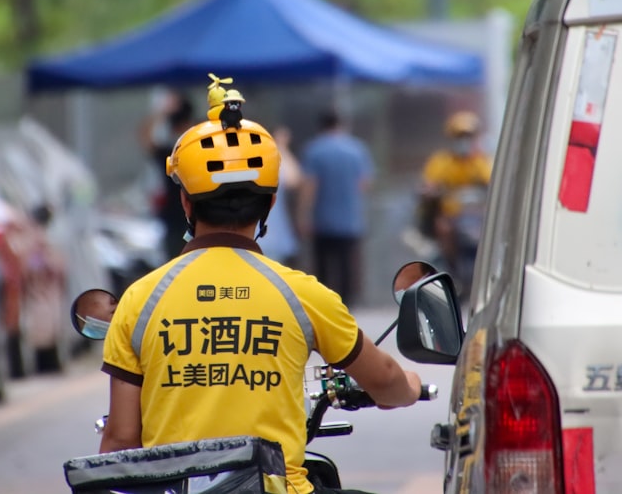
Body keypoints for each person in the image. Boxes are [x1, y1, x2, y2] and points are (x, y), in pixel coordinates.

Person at [100, 79, 422, 494]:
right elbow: (386, 381)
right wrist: (410, 386)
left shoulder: (139, 300)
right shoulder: (304, 295)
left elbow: (121, 442)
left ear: (185, 203)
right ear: (270, 203)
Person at [297, 109, 374, 308]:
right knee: (347, 263)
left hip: (323, 220)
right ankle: (348, 302)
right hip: (350, 219)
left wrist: (304, 215)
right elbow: (364, 183)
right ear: (340, 125)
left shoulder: (314, 150)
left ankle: (325, 303)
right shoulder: (357, 148)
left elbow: (310, 186)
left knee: (323, 264)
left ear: (321, 126)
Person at [417, 111, 492, 291]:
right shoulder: (441, 162)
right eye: (459, 137)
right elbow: (429, 185)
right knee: (444, 228)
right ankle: (452, 267)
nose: (463, 141)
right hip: (451, 216)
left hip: (477, 217)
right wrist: (431, 191)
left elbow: (493, 182)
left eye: (467, 136)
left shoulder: (482, 161)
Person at [139, 90, 195, 259]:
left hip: (173, 218)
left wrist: (161, 113)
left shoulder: (170, 153)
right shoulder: (198, 151)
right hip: (197, 217)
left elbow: (145, 137)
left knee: (173, 265)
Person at [257, 125, 303, 268]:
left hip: (270, 230)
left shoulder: (271, 162)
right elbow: (294, 178)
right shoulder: (268, 161)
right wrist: (281, 147)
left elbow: (294, 180)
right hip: (268, 230)